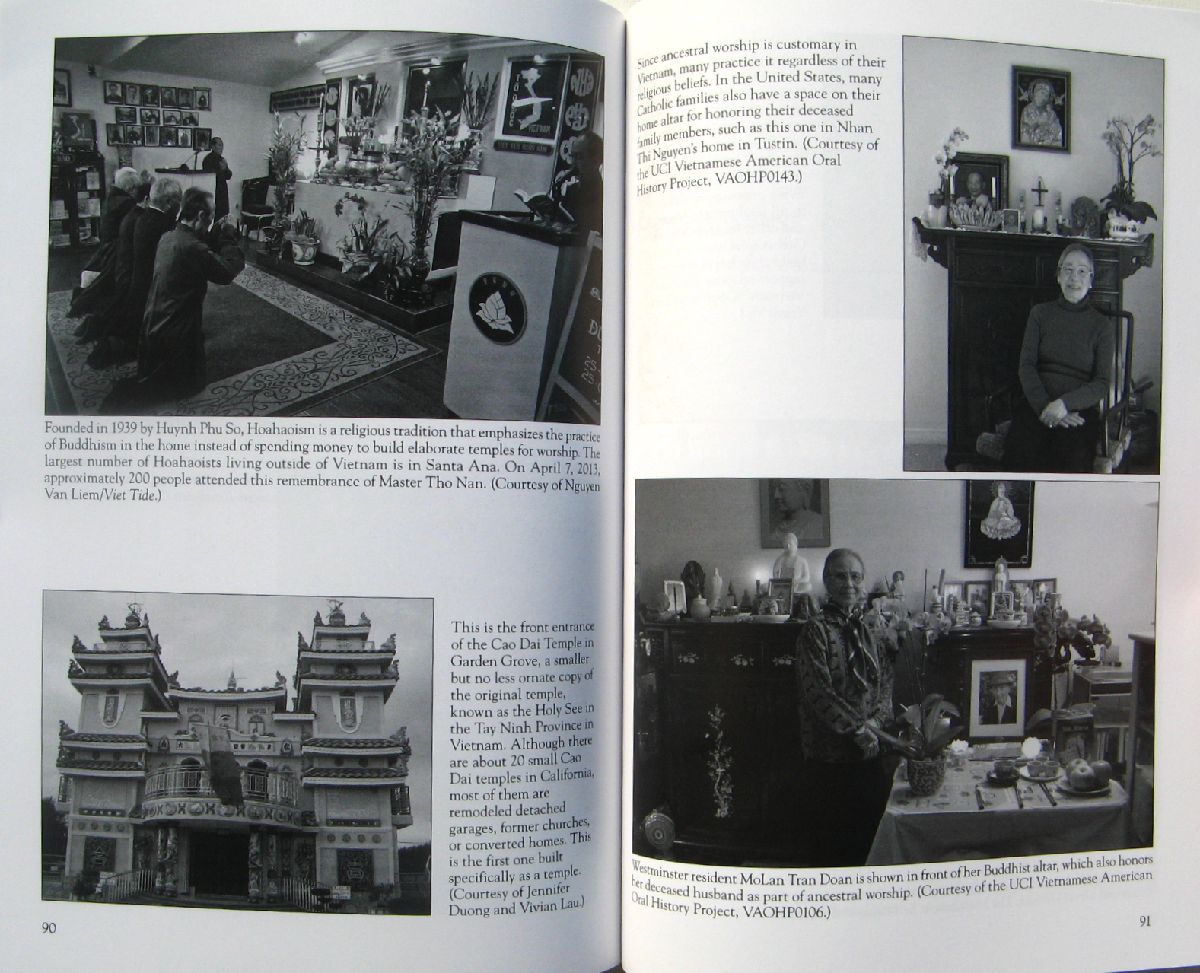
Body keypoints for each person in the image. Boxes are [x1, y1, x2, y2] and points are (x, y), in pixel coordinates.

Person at [796, 549, 898, 866]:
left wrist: (875, 726)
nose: (849, 584)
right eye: (840, 576)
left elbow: (886, 685)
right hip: (830, 759)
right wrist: (857, 730)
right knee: (833, 851)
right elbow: (818, 692)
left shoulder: (871, 630)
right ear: (827, 581)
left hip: (870, 755)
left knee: (869, 845)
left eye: (855, 576)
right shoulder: (814, 630)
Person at [121, 188, 244, 407]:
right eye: (210, 217)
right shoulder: (192, 248)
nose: (210, 222)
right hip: (173, 336)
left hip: (152, 330)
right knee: (192, 384)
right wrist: (228, 234)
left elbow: (200, 243)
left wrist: (215, 230)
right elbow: (227, 271)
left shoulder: (169, 237)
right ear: (200, 215)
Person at [1003, 243, 1114, 472]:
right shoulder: (1040, 314)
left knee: (1073, 457)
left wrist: (1064, 405)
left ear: (1091, 280)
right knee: (1021, 450)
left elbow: (1102, 383)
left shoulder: (1102, 325)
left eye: (1082, 271)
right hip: (1037, 405)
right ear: (1058, 276)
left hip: (1079, 411)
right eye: (1068, 270)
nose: (1074, 277)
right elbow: (1026, 366)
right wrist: (1046, 407)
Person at [89, 176, 183, 368]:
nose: (178, 206)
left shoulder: (142, 217)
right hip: (151, 290)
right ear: (169, 203)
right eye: (177, 202)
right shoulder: (162, 225)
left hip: (137, 283)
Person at [70, 166, 142, 324]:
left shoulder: (112, 198)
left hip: (105, 248)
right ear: (130, 188)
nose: (136, 192)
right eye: (136, 188)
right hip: (115, 252)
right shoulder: (126, 203)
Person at [551, 131, 603, 233]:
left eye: (579, 156)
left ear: (596, 160)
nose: (573, 162)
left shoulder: (602, 194)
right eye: (572, 156)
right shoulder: (572, 189)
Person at [1020, 78, 1064, 147]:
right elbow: (1025, 130)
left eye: (1046, 95)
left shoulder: (1051, 114)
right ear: (1035, 94)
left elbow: (1058, 132)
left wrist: (1049, 127)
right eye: (1042, 93)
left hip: (1049, 143)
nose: (1044, 98)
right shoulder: (1027, 110)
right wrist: (1038, 123)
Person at [200, 136, 233, 219]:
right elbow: (210, 176)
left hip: (222, 190)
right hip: (213, 190)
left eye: (222, 145)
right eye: (219, 145)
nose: (221, 148)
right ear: (213, 146)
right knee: (214, 215)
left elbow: (228, 176)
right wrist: (222, 170)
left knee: (223, 214)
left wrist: (225, 169)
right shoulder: (208, 159)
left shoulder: (222, 159)